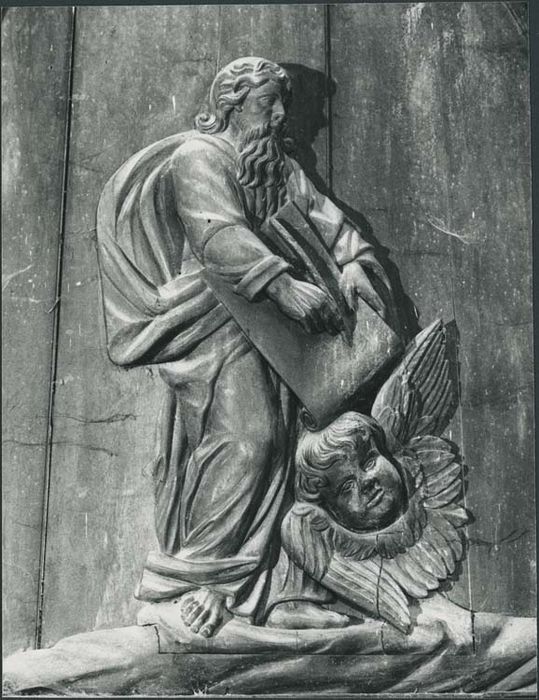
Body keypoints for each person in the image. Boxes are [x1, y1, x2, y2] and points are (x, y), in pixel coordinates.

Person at [97, 57, 396, 638]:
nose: (281, 115)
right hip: (215, 322)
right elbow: (218, 236)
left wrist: (354, 262)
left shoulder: (276, 164)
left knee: (284, 448)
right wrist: (282, 286)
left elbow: (326, 220)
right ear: (231, 105)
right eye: (267, 104)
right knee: (247, 441)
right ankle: (192, 583)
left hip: (281, 336)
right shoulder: (200, 157)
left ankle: (261, 593)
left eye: (283, 104)